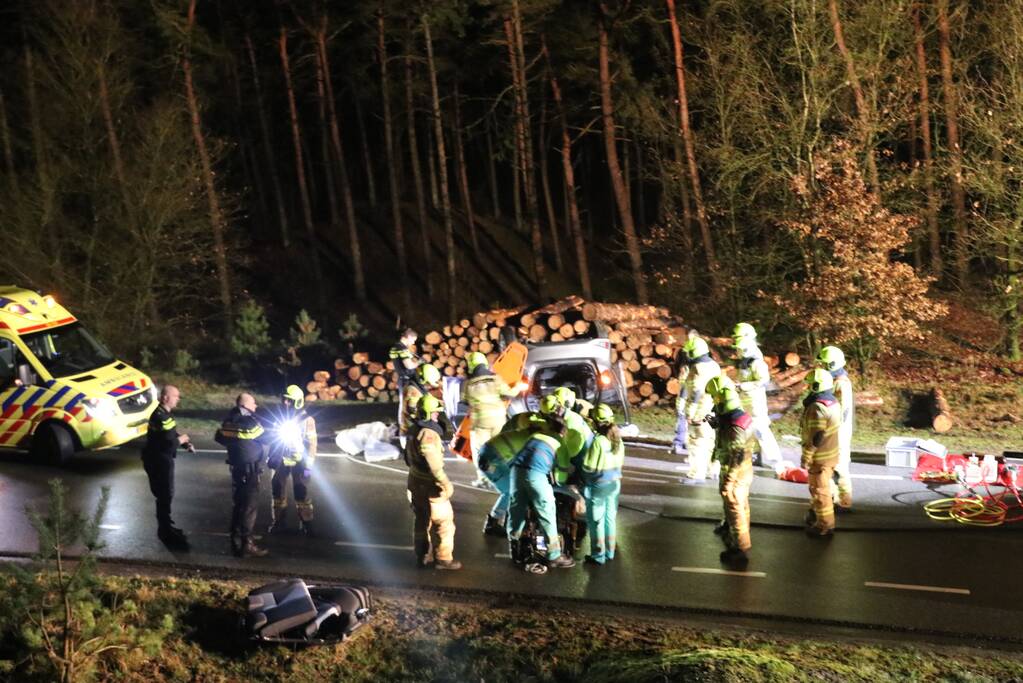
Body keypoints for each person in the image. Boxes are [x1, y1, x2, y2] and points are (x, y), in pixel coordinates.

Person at [506, 395, 575, 569]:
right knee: (547, 512)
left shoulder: (536, 435)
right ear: (562, 430)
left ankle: (515, 548)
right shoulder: (559, 442)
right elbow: (561, 476)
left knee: (516, 510)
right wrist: (559, 482)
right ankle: (554, 555)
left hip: (516, 473)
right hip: (536, 476)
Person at [404, 394, 462, 570]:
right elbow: (434, 465)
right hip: (431, 487)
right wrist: (446, 483)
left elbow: (407, 459)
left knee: (421, 522)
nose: (438, 416)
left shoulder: (413, 429)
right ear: (428, 413)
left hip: (414, 482)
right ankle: (443, 559)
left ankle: (422, 556)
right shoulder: (429, 434)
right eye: (436, 413)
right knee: (444, 523)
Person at [706, 375, 757, 566]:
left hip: (736, 472)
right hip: (741, 470)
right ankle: (731, 530)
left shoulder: (736, 426)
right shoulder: (738, 417)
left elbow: (737, 455)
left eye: (715, 401)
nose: (714, 404)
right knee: (738, 505)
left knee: (736, 507)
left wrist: (729, 480)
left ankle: (740, 548)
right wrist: (718, 424)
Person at [215, 393, 271, 558]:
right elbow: (266, 437)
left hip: (237, 468)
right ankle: (247, 544)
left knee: (239, 504)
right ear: (246, 405)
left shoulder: (229, 420)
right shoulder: (249, 422)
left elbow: (220, 437)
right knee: (249, 507)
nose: (256, 406)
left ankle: (235, 540)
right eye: (253, 403)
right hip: (249, 469)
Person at [141, 384, 194, 549]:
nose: (178, 399)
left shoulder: (163, 414)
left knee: (166, 495)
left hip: (160, 459)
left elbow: (170, 434)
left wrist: (184, 443)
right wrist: (181, 440)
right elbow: (168, 444)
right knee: (164, 495)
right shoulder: (161, 417)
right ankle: (164, 531)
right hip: (159, 461)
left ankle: (166, 526)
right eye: (175, 396)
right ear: (165, 398)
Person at [269, 385, 318, 537]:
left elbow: (312, 444)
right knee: (278, 492)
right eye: (284, 399)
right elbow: (273, 440)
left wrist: (308, 466)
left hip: (300, 463)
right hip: (281, 461)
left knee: (302, 492)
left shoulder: (307, 420)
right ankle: (278, 522)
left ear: (297, 402)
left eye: (289, 400)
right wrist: (271, 457)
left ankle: (307, 523)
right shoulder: (279, 418)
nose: (285, 402)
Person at [463, 352, 517, 488]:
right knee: (500, 449)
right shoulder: (495, 379)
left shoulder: (468, 383)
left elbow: (464, 401)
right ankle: (507, 477)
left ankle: (485, 479)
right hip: (498, 420)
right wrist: (519, 386)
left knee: (480, 452)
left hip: (480, 423)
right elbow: (510, 394)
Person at [579, 404, 624, 566]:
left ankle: (598, 555)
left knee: (596, 521)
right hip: (614, 484)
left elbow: (588, 466)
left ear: (596, 422)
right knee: (609, 519)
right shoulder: (617, 439)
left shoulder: (598, 441)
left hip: (598, 486)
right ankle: (610, 552)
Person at [732, 323, 781, 468]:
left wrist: (743, 386)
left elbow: (763, 380)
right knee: (746, 428)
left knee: (761, 429)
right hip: (744, 399)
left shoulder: (755, 359)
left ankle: (776, 461)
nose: (737, 349)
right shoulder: (744, 355)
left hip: (755, 401)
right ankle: (754, 456)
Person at [801, 369, 842, 537]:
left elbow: (816, 436)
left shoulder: (817, 407)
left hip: (820, 458)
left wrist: (806, 456)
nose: (807, 388)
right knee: (821, 489)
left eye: (810, 385)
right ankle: (816, 514)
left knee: (820, 491)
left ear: (816, 386)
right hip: (831, 455)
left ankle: (824, 526)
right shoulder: (833, 403)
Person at [477, 428, 535, 536]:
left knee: (512, 486)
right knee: (510, 491)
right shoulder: (534, 441)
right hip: (493, 460)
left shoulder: (524, 433)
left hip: (489, 456)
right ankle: (492, 523)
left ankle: (504, 521)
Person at [817, 346, 854, 510]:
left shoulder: (840, 384)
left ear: (831, 364)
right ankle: (832, 497)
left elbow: (841, 410)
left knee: (839, 466)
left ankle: (844, 500)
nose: (822, 367)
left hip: (838, 431)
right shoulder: (836, 381)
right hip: (835, 430)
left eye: (824, 364)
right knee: (829, 465)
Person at [681, 336, 721, 480]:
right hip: (713, 408)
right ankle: (713, 470)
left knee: (696, 441)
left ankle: (696, 473)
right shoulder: (714, 365)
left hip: (700, 410)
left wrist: (689, 413)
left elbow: (696, 392)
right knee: (710, 440)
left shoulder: (697, 368)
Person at [401, 363, 442, 439]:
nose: (430, 386)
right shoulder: (414, 392)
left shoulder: (419, 386)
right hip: (412, 431)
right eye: (428, 383)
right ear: (422, 380)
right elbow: (413, 414)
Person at [390, 328, 419, 431]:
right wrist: (419, 362)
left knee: (405, 405)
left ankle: (406, 428)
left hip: (403, 379)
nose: (413, 343)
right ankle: (405, 430)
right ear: (409, 337)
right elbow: (409, 365)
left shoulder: (395, 347)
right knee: (406, 406)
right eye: (413, 340)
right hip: (407, 380)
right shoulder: (402, 349)